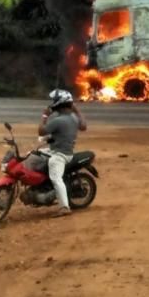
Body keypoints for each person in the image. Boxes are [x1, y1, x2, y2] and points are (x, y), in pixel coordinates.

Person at [37, 89, 87, 217]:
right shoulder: (73, 117)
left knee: (56, 178)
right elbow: (84, 126)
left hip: (60, 155)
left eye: (53, 101)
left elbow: (41, 131)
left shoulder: (58, 121)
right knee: (36, 154)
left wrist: (44, 116)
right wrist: (76, 110)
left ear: (58, 104)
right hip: (61, 150)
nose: (51, 104)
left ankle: (65, 207)